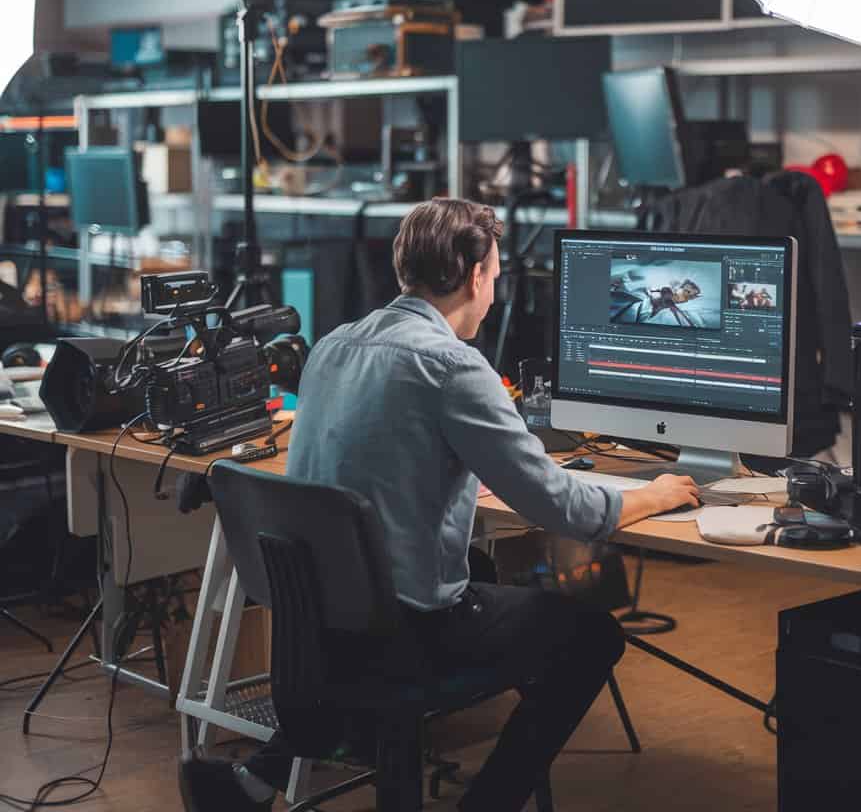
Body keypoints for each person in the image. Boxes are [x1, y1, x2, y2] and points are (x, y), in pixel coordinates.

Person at [179, 198, 700, 812]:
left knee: (478, 572)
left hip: (319, 626)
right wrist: (655, 493)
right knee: (590, 636)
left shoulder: (334, 345)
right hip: (406, 633)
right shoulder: (453, 366)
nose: (495, 293)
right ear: (474, 275)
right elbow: (565, 508)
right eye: (496, 277)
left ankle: (255, 779)